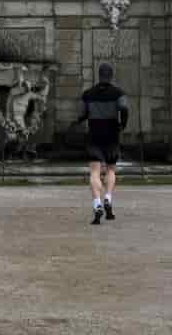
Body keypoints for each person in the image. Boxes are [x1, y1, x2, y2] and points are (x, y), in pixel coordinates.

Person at [76, 62, 129, 225]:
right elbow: (124, 108)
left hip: (94, 134)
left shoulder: (88, 93)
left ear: (99, 75)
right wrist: (123, 124)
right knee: (111, 169)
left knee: (94, 171)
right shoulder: (118, 93)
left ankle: (97, 203)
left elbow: (83, 114)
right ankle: (108, 197)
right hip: (112, 134)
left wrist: (80, 119)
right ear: (111, 76)